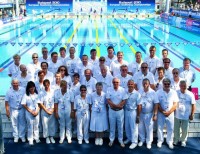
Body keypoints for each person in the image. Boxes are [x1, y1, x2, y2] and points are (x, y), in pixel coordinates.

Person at [156, 78, 179, 149]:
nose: (166, 85)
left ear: (170, 84)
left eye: (168, 84)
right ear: (163, 84)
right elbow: (157, 103)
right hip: (161, 113)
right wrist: (162, 111)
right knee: (160, 128)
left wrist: (169, 112)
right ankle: (160, 140)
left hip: (170, 113)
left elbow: (175, 104)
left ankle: (169, 141)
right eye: (165, 84)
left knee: (170, 128)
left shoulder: (173, 92)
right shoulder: (158, 92)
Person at [137, 79, 159, 149]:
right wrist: (137, 114)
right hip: (141, 113)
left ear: (149, 84)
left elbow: (156, 104)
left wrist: (155, 114)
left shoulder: (153, 92)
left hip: (149, 114)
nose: (145, 84)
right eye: (143, 83)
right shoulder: (140, 91)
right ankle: (142, 140)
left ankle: (149, 142)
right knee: (141, 127)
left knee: (149, 128)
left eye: (146, 83)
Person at [106, 78, 128, 148]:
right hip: (112, 110)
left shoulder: (123, 90)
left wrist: (119, 106)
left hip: (120, 111)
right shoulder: (109, 89)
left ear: (119, 83)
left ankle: (120, 140)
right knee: (112, 126)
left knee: (120, 126)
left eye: (117, 82)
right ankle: (111, 140)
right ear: (112, 83)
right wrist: (115, 105)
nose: (115, 83)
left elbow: (124, 100)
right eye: (114, 82)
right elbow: (108, 100)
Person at [174, 80, 196, 147]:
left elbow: (193, 105)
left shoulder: (190, 94)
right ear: (179, 86)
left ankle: (183, 140)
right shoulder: (176, 93)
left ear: (187, 86)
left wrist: (192, 114)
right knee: (176, 129)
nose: (183, 87)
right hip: (177, 115)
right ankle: (176, 140)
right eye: (182, 86)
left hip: (186, 115)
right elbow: (173, 102)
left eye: (185, 86)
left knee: (185, 129)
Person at [21, 81, 40, 145]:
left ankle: (36, 138)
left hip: (36, 112)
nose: (32, 89)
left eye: (33, 87)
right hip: (29, 113)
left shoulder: (37, 94)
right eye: (30, 87)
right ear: (28, 88)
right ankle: (30, 139)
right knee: (30, 126)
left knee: (36, 126)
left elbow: (40, 104)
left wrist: (37, 111)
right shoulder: (26, 95)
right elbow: (24, 104)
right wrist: (31, 111)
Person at [123, 80, 141, 149]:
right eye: (129, 84)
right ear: (127, 85)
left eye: (131, 84)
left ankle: (134, 142)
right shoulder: (125, 92)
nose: (130, 85)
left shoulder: (137, 94)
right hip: (126, 111)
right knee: (127, 126)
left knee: (134, 127)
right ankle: (129, 138)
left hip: (133, 112)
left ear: (134, 85)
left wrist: (138, 116)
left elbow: (139, 105)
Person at [38, 79, 56, 144]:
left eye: (47, 84)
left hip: (52, 111)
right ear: (43, 85)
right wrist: (46, 110)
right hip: (44, 111)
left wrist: (52, 110)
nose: (46, 86)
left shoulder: (53, 92)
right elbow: (40, 103)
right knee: (45, 125)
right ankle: (47, 137)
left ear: (49, 84)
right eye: (45, 85)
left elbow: (55, 101)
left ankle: (51, 136)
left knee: (51, 124)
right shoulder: (41, 93)